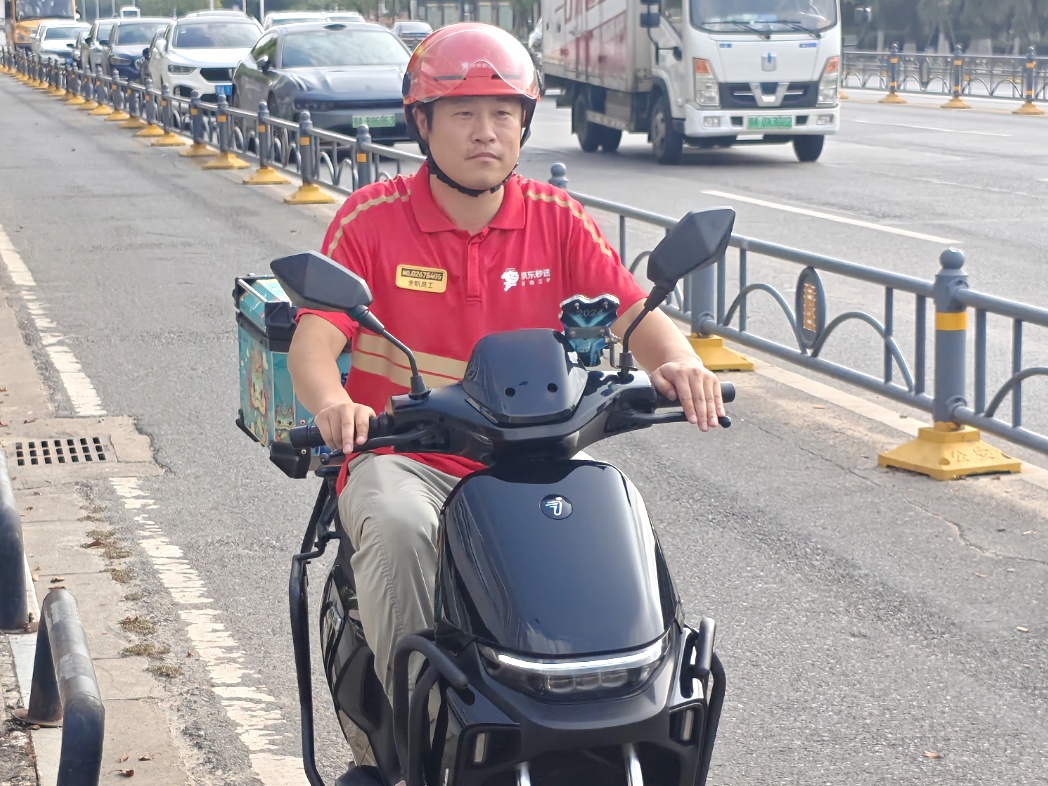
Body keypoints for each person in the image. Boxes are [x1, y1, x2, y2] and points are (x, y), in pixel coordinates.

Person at [287, 20, 724, 778]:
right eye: (462, 114)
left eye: (503, 114)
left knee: (617, 511)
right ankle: (413, 732)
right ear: (421, 123)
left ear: (525, 123)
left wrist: (681, 365)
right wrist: (333, 403)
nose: (485, 132)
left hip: (534, 460)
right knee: (392, 523)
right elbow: (316, 339)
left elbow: (635, 313)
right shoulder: (372, 221)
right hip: (407, 455)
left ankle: (630, 714)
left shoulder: (555, 220)